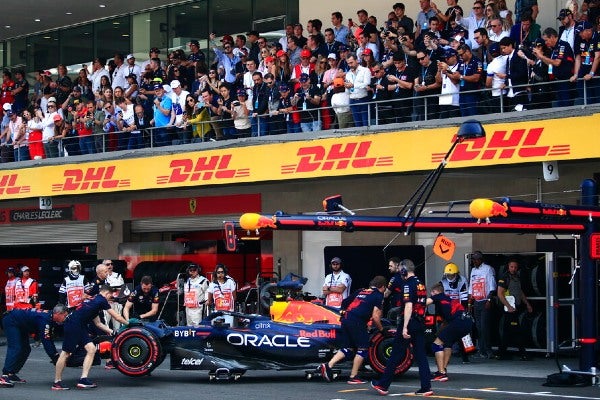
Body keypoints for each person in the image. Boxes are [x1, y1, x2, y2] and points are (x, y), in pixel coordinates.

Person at [370, 259, 432, 396]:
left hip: (409, 322)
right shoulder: (420, 284)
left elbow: (409, 305)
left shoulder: (407, 285)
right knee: (421, 356)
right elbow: (423, 304)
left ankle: (383, 385)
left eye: (400, 270)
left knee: (395, 354)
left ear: (404, 270)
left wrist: (404, 327)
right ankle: (426, 387)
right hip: (420, 322)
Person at [53, 285, 130, 390]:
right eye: (110, 297)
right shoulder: (101, 300)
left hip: (79, 326)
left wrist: (113, 332)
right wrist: (128, 325)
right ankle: (57, 382)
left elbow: (98, 324)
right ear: (107, 294)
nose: (109, 299)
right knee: (65, 353)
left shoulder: (94, 302)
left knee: (91, 349)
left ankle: (83, 379)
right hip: (73, 325)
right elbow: (116, 316)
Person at [319, 275, 386, 384]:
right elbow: (375, 317)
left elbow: (345, 302)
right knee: (363, 348)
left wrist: (344, 311)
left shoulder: (361, 291)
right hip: (357, 321)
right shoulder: (378, 295)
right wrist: (382, 330)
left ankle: (328, 365)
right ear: (382, 287)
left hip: (345, 319)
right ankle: (353, 376)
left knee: (348, 348)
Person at [1, 304, 68, 387]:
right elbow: (46, 341)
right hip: (11, 320)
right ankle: (4, 375)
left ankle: (11, 373)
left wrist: (55, 355)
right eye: (64, 316)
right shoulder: (45, 319)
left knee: (26, 349)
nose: (65, 318)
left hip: (21, 324)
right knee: (15, 347)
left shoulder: (50, 318)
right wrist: (55, 357)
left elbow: (48, 337)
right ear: (58, 314)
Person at [427, 282, 473, 382]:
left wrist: (411, 305)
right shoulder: (448, 299)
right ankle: (443, 369)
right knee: (447, 343)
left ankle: (441, 373)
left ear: (435, 292)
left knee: (436, 344)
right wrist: (440, 333)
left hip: (459, 321)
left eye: (432, 293)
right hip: (467, 321)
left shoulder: (438, 296)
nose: (431, 295)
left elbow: (425, 303)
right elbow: (447, 321)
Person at [495, 258, 533, 361]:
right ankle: (522, 353)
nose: (513, 269)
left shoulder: (517, 277)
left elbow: (520, 292)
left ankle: (501, 353)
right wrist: (508, 306)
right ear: (508, 267)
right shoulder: (504, 278)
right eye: (512, 267)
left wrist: (527, 304)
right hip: (509, 309)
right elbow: (500, 294)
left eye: (515, 267)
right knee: (516, 331)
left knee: (508, 331)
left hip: (516, 307)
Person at [468, 251, 496, 359]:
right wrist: (470, 303)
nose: (475, 261)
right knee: (479, 327)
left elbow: (492, 285)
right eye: (474, 259)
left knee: (485, 327)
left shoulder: (488, 269)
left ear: (481, 259)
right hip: (476, 301)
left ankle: (488, 350)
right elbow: (471, 286)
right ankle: (481, 350)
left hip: (485, 300)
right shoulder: (473, 270)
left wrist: (489, 299)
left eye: (477, 259)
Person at [103, 260, 125, 331]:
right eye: (108, 264)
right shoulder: (101, 277)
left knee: (117, 325)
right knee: (106, 324)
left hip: (116, 302)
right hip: (106, 303)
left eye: (111, 264)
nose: (110, 266)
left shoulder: (118, 275)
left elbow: (122, 288)